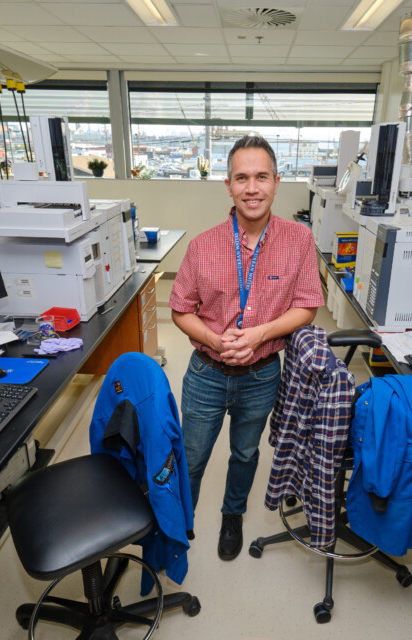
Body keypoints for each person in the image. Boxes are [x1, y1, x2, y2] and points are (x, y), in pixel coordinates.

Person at [168, 135, 324, 560]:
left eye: (260, 177)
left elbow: (308, 305)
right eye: (241, 178)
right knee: (192, 456)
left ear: (276, 182)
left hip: (261, 375)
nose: (251, 188)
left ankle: (232, 515)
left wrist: (259, 334)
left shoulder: (299, 241)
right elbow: (180, 311)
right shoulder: (203, 246)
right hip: (206, 374)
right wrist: (215, 339)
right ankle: (178, 525)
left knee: (245, 452)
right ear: (228, 185)